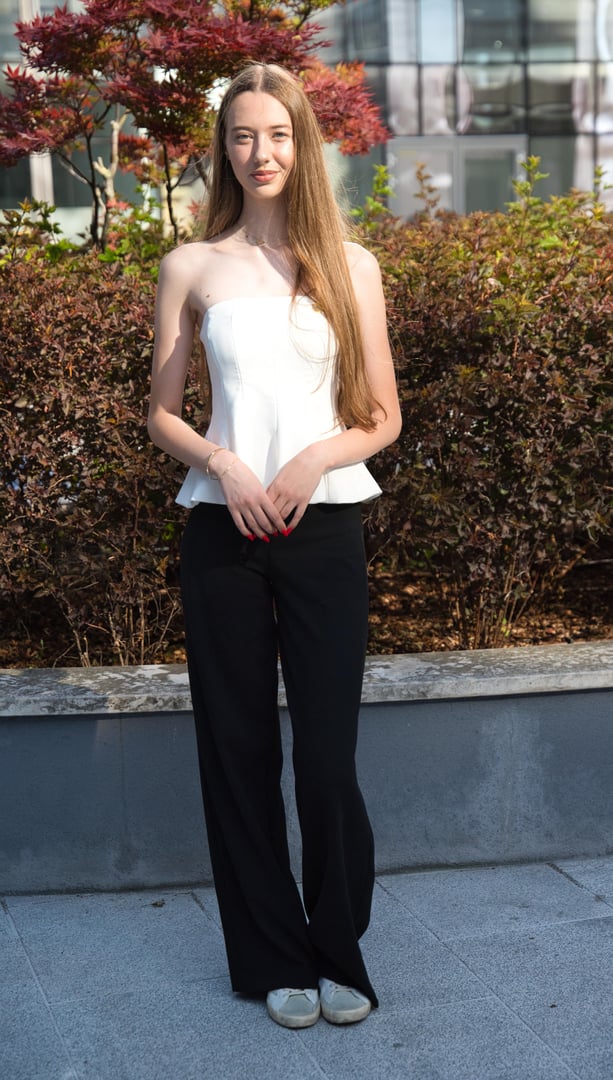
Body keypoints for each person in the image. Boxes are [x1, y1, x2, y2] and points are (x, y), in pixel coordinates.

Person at [148, 62, 401, 1030]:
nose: (262, 153)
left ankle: (339, 953)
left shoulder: (352, 265)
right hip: (221, 528)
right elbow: (160, 413)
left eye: (280, 135)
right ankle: (269, 962)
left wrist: (304, 467)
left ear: (304, 144)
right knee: (237, 750)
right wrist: (230, 466)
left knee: (327, 757)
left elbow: (381, 416)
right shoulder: (191, 266)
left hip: (325, 525)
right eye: (244, 135)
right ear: (224, 147)